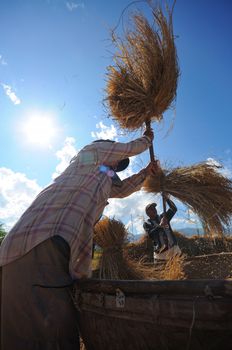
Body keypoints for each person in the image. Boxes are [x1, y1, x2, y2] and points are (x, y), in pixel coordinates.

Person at [0, 128, 159, 350]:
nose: (115, 168)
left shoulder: (102, 174)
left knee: (22, 336)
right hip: (42, 240)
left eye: (116, 168)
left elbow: (122, 189)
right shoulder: (91, 152)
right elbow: (128, 149)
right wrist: (147, 139)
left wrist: (146, 173)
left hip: (38, 248)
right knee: (54, 336)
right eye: (115, 163)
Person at [143, 196, 181, 262]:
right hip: (161, 254)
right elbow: (151, 235)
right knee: (161, 271)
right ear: (147, 213)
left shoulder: (163, 216)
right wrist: (160, 226)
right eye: (151, 209)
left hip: (173, 249)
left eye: (154, 208)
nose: (154, 210)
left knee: (179, 269)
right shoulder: (147, 223)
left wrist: (167, 199)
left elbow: (174, 208)